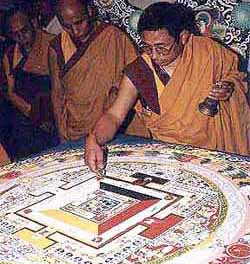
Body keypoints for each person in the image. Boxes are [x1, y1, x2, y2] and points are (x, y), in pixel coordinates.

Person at [85, 2, 250, 172]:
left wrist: (229, 88)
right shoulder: (140, 71)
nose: (154, 55)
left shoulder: (209, 53)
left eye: (161, 48)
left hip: (217, 156)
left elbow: (236, 79)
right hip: (171, 158)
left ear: (183, 37)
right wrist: (94, 138)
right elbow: (114, 116)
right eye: (147, 47)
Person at [49, 0, 137, 142]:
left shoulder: (113, 37)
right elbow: (57, 92)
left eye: (79, 22)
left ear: (90, 11)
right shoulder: (57, 47)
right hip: (77, 127)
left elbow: (134, 78)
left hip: (114, 124)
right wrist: (61, 133)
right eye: (67, 26)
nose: (75, 31)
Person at [1, 8, 59, 161]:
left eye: (24, 31)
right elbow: (11, 92)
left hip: (52, 117)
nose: (21, 38)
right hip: (26, 117)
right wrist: (33, 114)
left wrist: (45, 117)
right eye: (15, 34)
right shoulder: (11, 54)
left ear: (34, 23)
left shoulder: (53, 44)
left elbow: (61, 89)